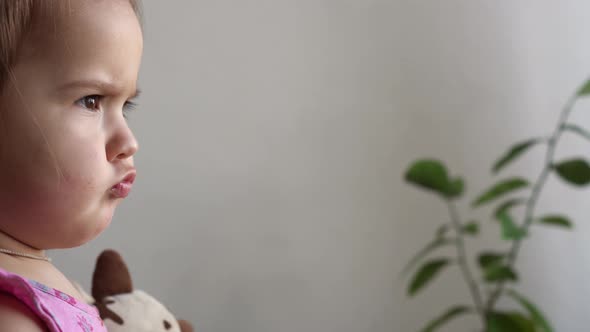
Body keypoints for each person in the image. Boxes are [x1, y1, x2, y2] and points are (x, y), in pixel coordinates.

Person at [0, 0, 143, 330]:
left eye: (127, 105)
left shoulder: (35, 284)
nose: (129, 142)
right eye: (92, 101)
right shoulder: (12, 317)